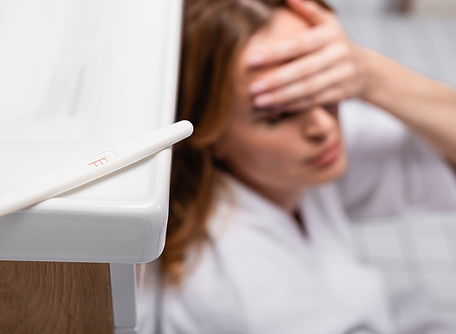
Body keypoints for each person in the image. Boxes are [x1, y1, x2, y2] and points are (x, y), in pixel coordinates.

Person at [138, 0, 456, 333]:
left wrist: (371, 75)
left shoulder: (276, 158)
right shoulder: (247, 296)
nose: (323, 126)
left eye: (323, 87)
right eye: (280, 114)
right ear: (208, 131)